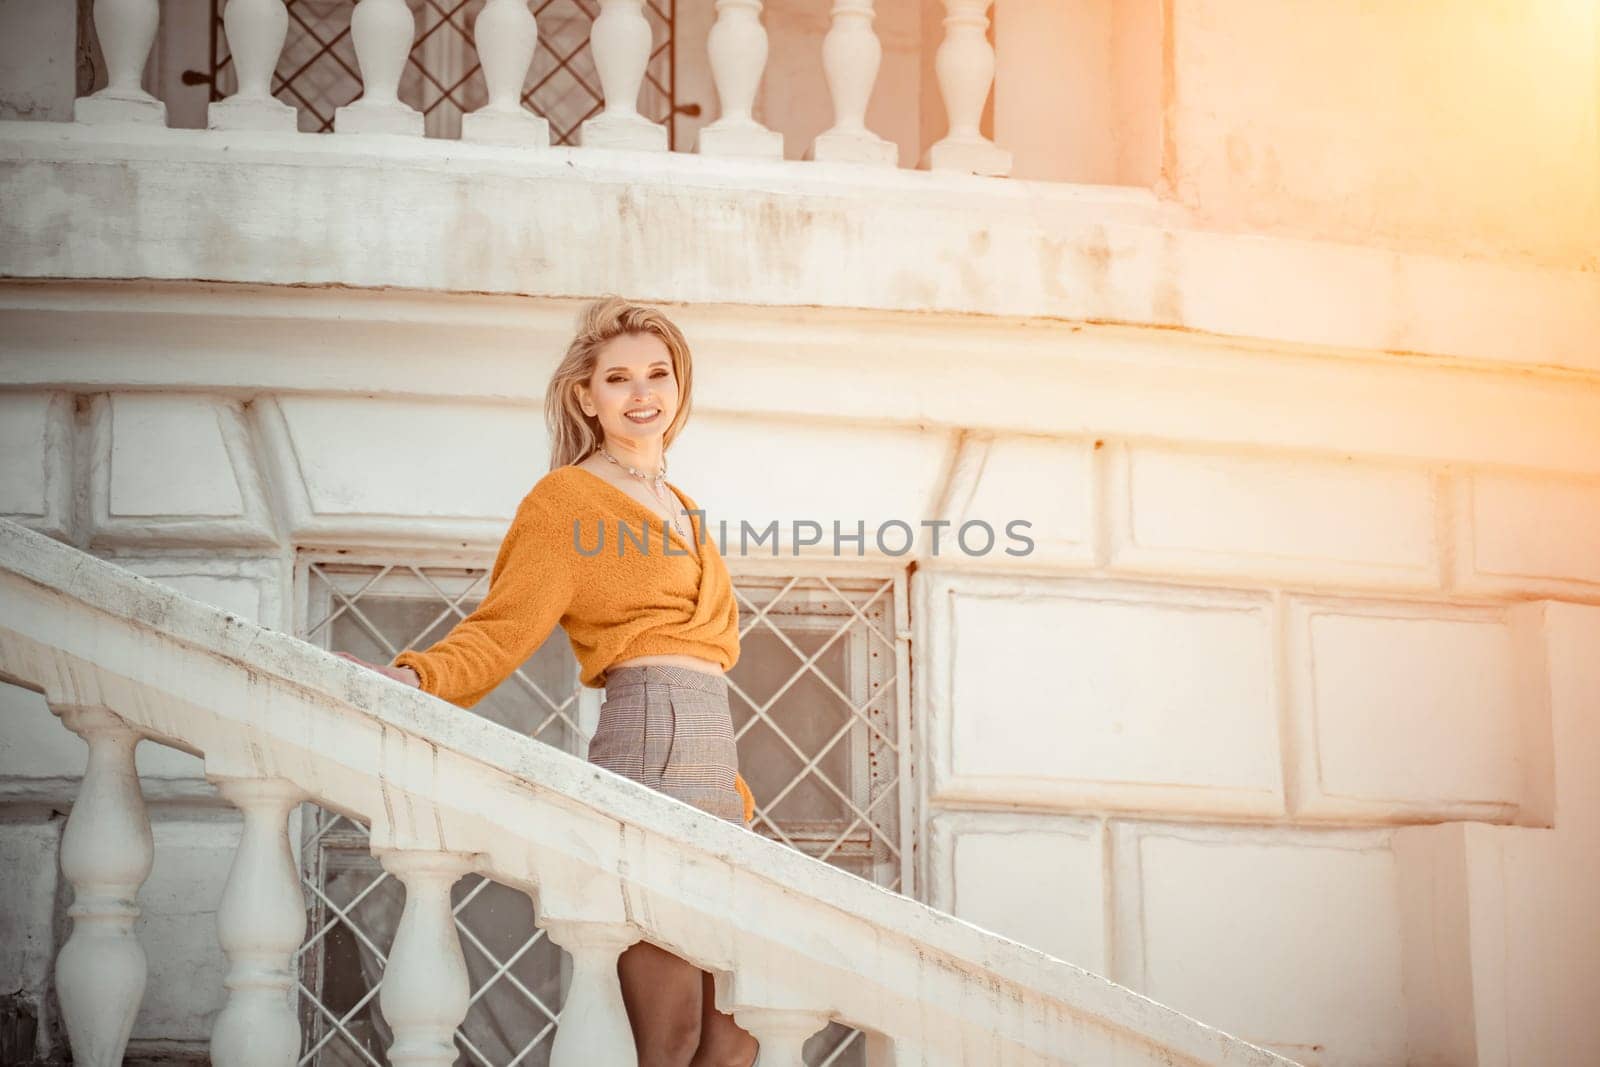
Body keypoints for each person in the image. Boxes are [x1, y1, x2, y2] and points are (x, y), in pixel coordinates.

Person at [336, 294, 762, 1067]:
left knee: (735, 1042)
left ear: (679, 385)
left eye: (658, 374)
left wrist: (731, 792)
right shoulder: (566, 501)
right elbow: (501, 629)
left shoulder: (686, 509)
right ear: (585, 396)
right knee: (672, 1038)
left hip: (714, 770)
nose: (642, 394)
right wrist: (416, 677)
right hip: (648, 748)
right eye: (619, 378)